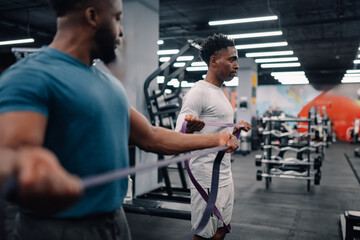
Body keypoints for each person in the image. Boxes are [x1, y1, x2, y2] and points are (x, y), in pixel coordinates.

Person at [0, 1, 240, 240]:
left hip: (114, 221)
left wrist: (216, 138)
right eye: (117, 19)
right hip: (57, 228)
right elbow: (9, 154)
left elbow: (153, 137)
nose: (121, 31)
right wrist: (25, 167)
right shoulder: (31, 76)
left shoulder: (109, 86)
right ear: (92, 16)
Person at [175, 33, 251, 240]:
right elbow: (178, 132)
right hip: (205, 175)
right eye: (232, 59)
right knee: (203, 235)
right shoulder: (198, 92)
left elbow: (217, 129)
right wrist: (189, 127)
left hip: (225, 173)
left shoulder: (220, 92)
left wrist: (236, 127)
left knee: (221, 230)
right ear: (214, 61)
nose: (236, 65)